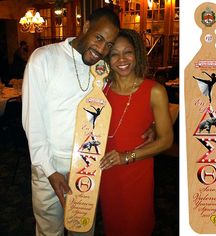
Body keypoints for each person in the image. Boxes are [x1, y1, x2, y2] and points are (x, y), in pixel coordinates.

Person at [22, 8, 120, 236]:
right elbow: (32, 120)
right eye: (99, 37)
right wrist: (49, 170)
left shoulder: (102, 69)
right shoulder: (44, 58)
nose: (102, 49)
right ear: (86, 27)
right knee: (49, 232)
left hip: (87, 166)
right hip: (50, 165)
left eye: (109, 44)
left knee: (83, 230)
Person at [99, 29, 174, 236]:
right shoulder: (99, 92)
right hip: (107, 172)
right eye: (114, 54)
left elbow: (167, 140)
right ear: (108, 58)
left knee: (136, 225)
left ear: (137, 54)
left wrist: (126, 157)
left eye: (128, 52)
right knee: (113, 226)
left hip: (137, 170)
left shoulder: (154, 91)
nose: (122, 59)